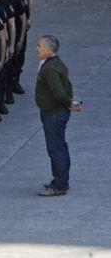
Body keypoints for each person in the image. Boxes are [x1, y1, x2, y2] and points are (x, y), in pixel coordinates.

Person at [34, 35, 81, 196]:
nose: (37, 48)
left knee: (56, 149)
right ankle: (61, 180)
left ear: (48, 49)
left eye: (39, 46)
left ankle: (59, 185)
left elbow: (59, 91)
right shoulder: (55, 63)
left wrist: (69, 103)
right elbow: (67, 84)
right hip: (55, 112)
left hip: (53, 114)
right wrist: (70, 102)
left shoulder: (50, 68)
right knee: (60, 147)